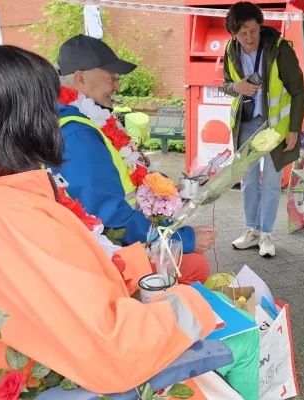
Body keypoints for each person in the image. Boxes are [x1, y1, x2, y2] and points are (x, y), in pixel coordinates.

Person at [0, 45, 259, 398]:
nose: (56, 114)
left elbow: (72, 274)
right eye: (47, 104)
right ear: (22, 121)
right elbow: (113, 348)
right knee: (243, 332)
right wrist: (194, 304)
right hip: (92, 374)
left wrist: (142, 261)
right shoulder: (11, 216)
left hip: (76, 339)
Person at [53, 34, 217, 285]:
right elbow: (110, 218)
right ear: (81, 78)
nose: (117, 86)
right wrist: (184, 239)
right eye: (111, 77)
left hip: (111, 236)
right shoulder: (78, 133)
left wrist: (161, 188)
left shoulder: (84, 121)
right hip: (102, 252)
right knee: (195, 266)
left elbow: (120, 180)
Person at [223, 1, 304, 257]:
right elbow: (226, 84)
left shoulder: (280, 49)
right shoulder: (230, 49)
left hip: (276, 128)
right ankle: (251, 230)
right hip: (246, 125)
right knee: (248, 181)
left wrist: (294, 129)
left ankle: (267, 234)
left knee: (271, 183)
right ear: (233, 33)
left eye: (253, 30)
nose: (249, 38)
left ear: (261, 26)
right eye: (242, 33)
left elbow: (298, 92)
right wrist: (237, 87)